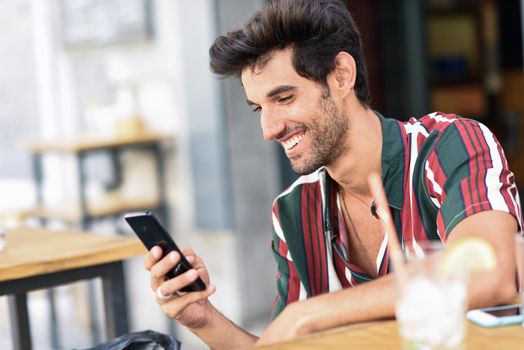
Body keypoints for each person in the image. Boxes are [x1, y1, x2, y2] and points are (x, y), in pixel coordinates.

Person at [144, 0, 522, 348]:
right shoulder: (294, 210)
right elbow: (283, 343)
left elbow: (490, 273)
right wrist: (204, 319)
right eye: (259, 108)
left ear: (341, 75)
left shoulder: (449, 146)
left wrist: (309, 313)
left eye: (284, 98)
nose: (270, 129)